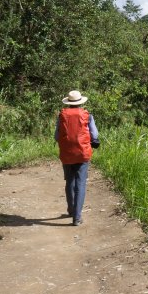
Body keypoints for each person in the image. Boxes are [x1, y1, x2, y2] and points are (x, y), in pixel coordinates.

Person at [54, 90, 98, 226]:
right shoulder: (87, 115)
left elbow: (56, 136)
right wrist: (94, 141)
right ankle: (77, 218)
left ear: (69, 102)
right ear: (81, 102)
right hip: (82, 153)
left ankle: (71, 210)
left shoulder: (62, 116)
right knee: (81, 184)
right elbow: (94, 134)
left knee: (69, 182)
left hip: (67, 153)